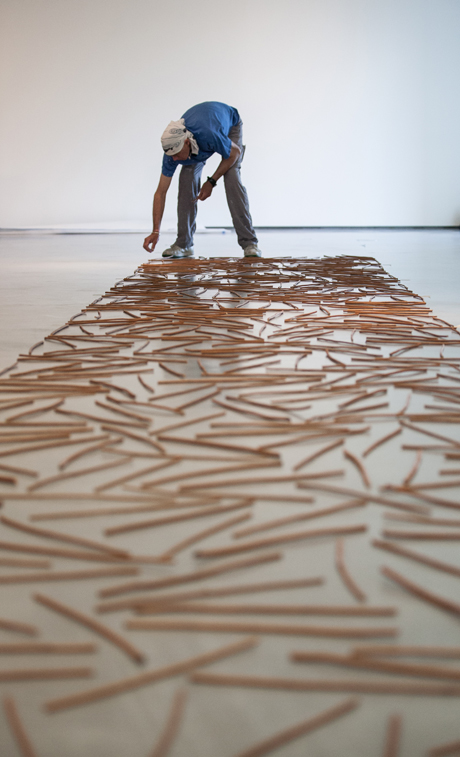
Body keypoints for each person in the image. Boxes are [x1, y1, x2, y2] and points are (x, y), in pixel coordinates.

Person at [143, 101, 261, 259]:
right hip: (201, 136)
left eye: (177, 154)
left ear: (186, 142)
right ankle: (183, 244)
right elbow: (160, 192)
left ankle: (250, 243)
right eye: (172, 156)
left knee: (232, 178)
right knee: (186, 180)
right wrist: (155, 231)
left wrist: (211, 182)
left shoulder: (210, 133)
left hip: (228, 126)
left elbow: (235, 153)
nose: (175, 159)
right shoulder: (172, 154)